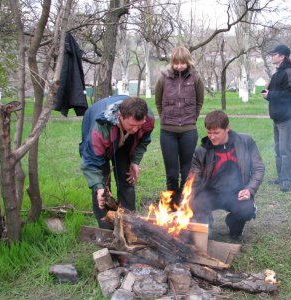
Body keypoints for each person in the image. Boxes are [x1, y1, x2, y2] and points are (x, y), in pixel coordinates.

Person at [79, 95, 155, 229]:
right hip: (105, 135)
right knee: (102, 188)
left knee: (126, 178)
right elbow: (91, 161)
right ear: (120, 116)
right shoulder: (100, 127)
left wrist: (135, 162)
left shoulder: (146, 118)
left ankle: (128, 225)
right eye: (132, 125)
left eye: (139, 125)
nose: (135, 130)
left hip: (122, 140)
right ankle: (107, 228)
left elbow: (143, 141)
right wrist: (98, 186)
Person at [189, 110, 265, 241]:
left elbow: (259, 168)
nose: (212, 137)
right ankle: (206, 227)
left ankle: (234, 225)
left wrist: (249, 189)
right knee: (195, 204)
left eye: (216, 133)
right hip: (210, 193)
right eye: (209, 132)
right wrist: (187, 201)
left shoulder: (245, 142)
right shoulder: (201, 151)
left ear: (227, 128)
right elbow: (194, 180)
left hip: (237, 193)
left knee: (247, 209)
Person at [155, 46, 204, 208]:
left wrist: (191, 119)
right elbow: (158, 102)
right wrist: (165, 118)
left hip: (189, 131)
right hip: (167, 132)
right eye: (176, 63)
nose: (179, 66)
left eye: (182, 63)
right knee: (172, 172)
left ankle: (184, 202)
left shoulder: (195, 78)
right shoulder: (163, 78)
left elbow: (199, 102)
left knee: (186, 171)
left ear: (188, 62)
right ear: (172, 62)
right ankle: (171, 204)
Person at [261, 44, 291, 192]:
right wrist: (266, 93)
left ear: (282, 56)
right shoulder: (276, 74)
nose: (271, 57)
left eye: (274, 54)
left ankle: (287, 180)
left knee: (285, 150)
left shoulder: (289, 72)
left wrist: (270, 95)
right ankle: (280, 177)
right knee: (278, 150)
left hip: (287, 118)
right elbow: (272, 92)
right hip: (277, 118)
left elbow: (290, 95)